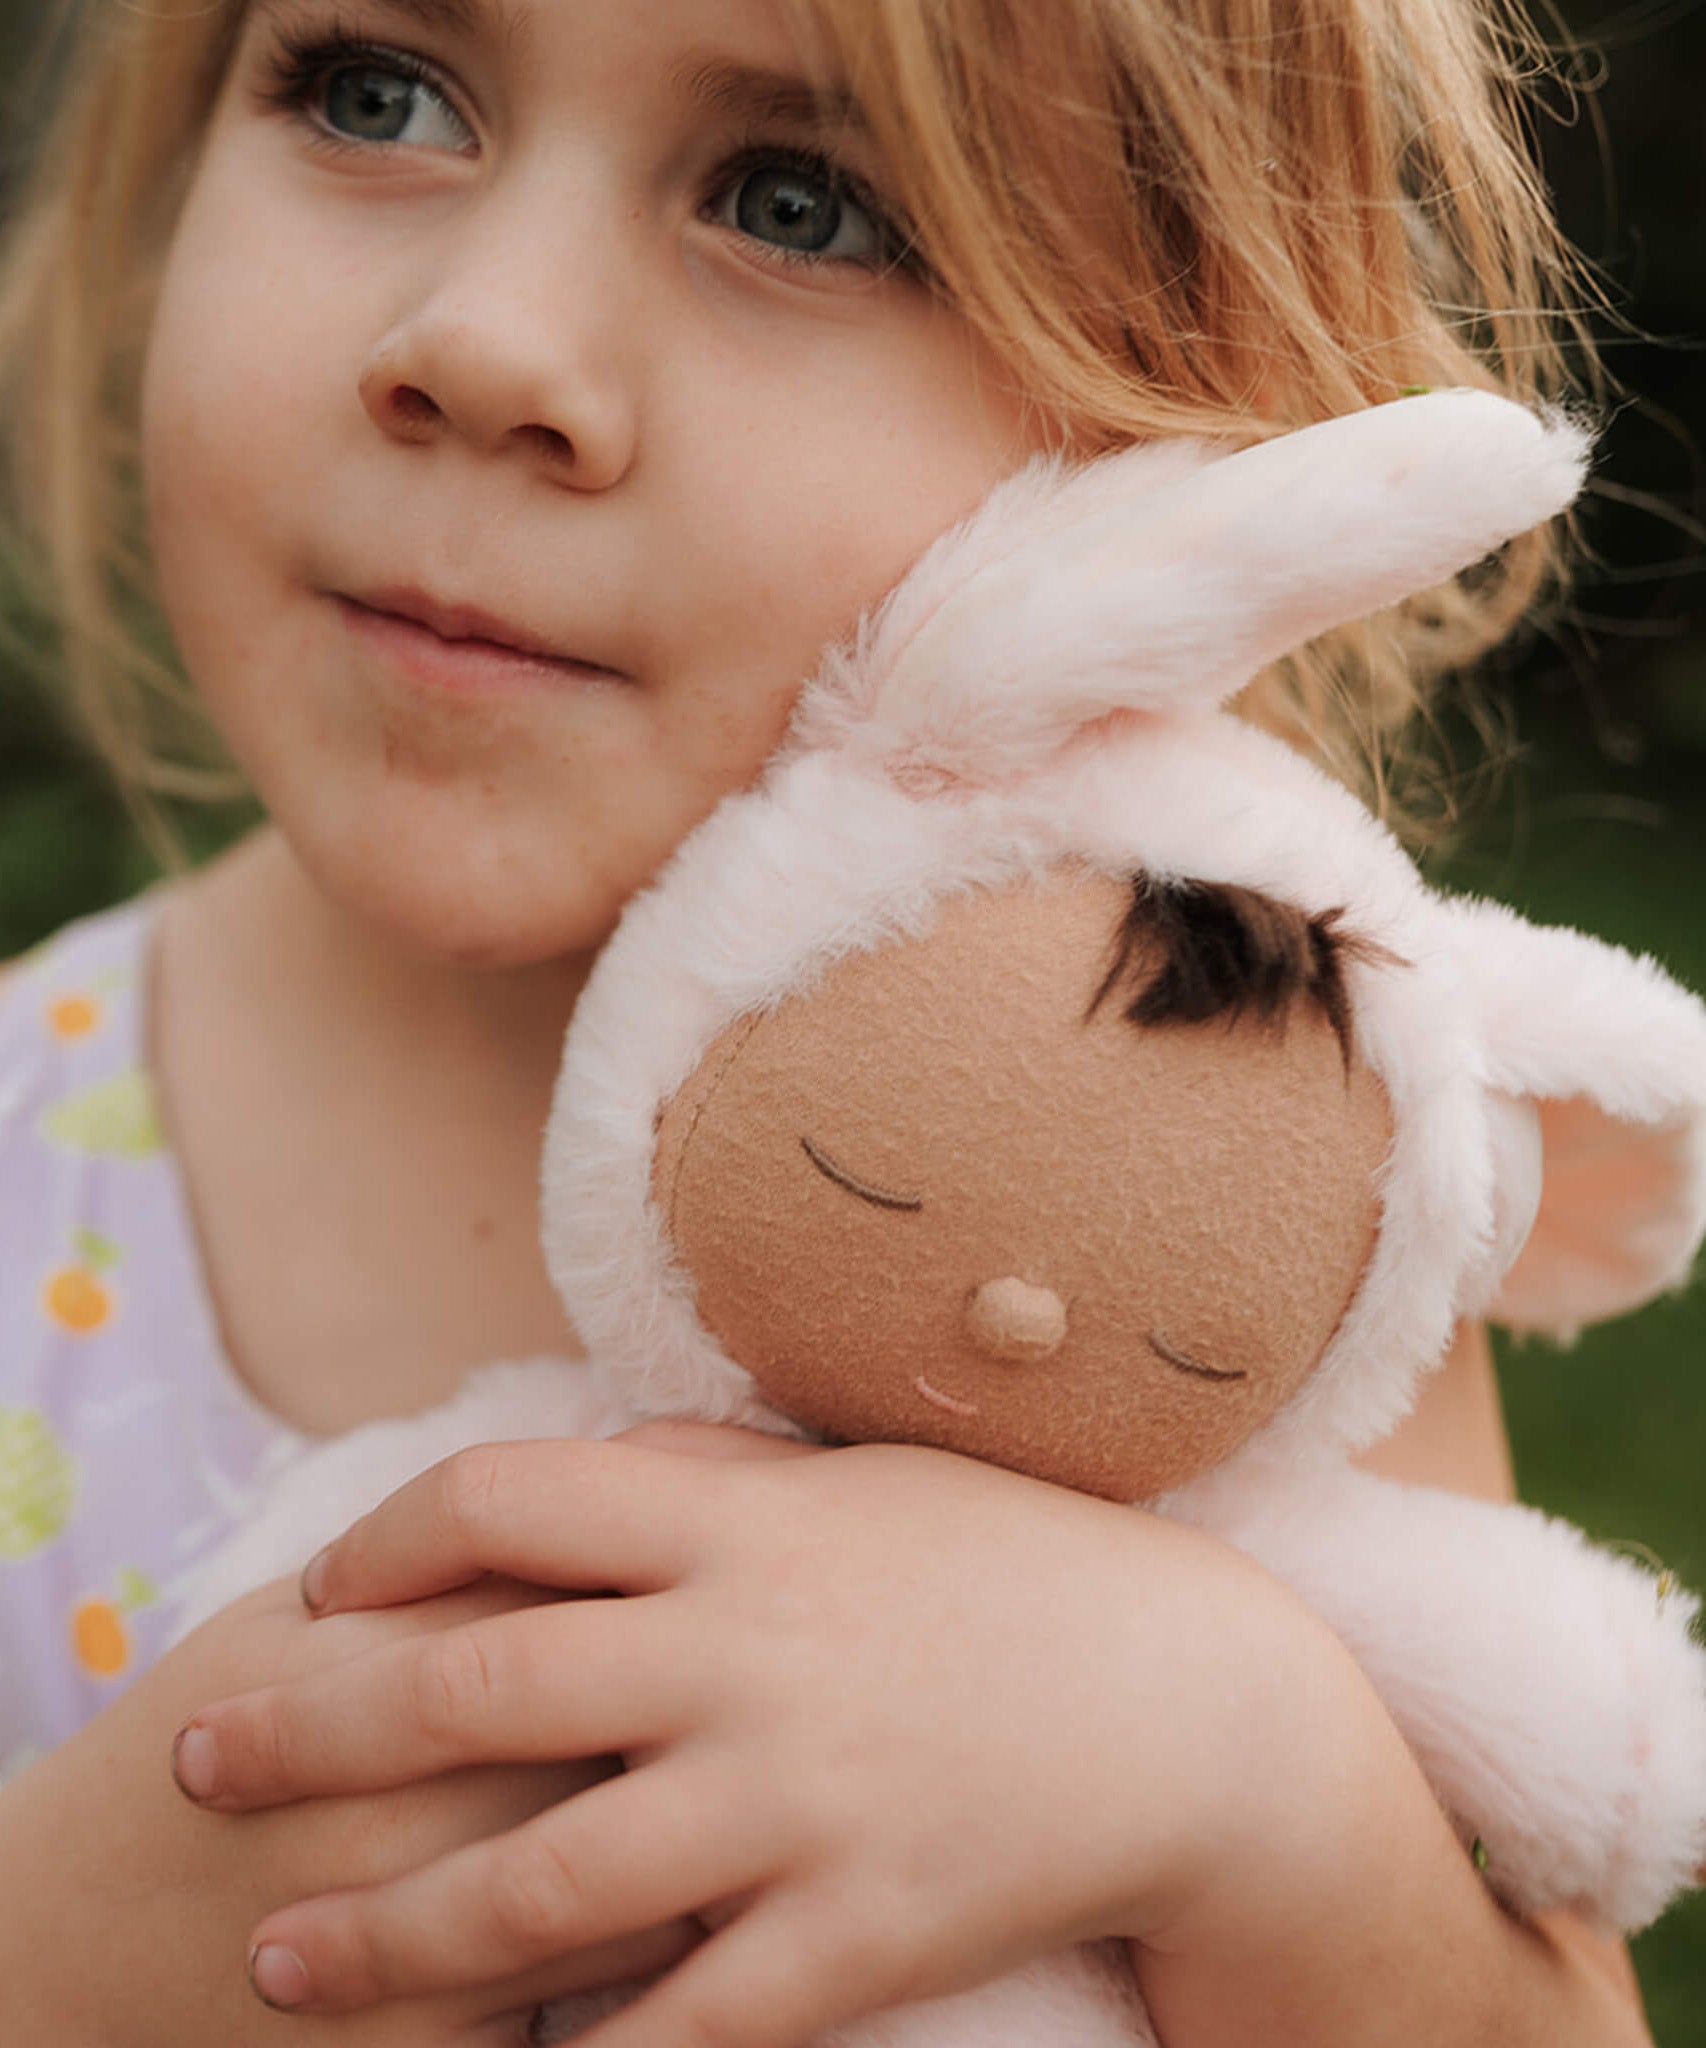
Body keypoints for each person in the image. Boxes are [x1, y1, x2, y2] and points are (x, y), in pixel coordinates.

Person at [0, 0, 1658, 2041]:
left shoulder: (1232, 1183)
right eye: (376, 93)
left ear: (1178, 428)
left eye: (802, 203)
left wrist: (1264, 1783)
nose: (483, 342)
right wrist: (60, 1951)